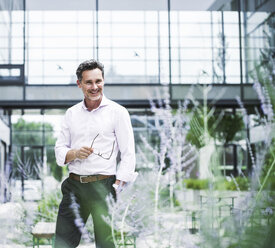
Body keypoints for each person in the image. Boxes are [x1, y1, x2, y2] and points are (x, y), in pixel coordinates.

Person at [54, 59, 136, 248]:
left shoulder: (118, 112)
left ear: (103, 81)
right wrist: (74, 153)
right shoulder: (71, 114)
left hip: (104, 187)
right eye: (89, 82)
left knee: (107, 245)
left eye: (98, 81)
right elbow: (59, 151)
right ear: (79, 84)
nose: (94, 87)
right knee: (62, 244)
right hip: (74, 186)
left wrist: (116, 187)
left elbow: (128, 153)